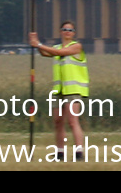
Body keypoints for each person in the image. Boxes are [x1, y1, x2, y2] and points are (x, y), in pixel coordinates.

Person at [29, 21, 89, 161]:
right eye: (65, 29)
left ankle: (79, 152)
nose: (67, 31)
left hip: (73, 89)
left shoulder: (76, 47)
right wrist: (35, 43)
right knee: (58, 121)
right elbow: (46, 53)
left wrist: (38, 44)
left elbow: (59, 52)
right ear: (61, 32)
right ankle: (60, 152)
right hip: (59, 90)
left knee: (73, 121)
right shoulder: (55, 47)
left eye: (70, 29)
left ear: (73, 33)